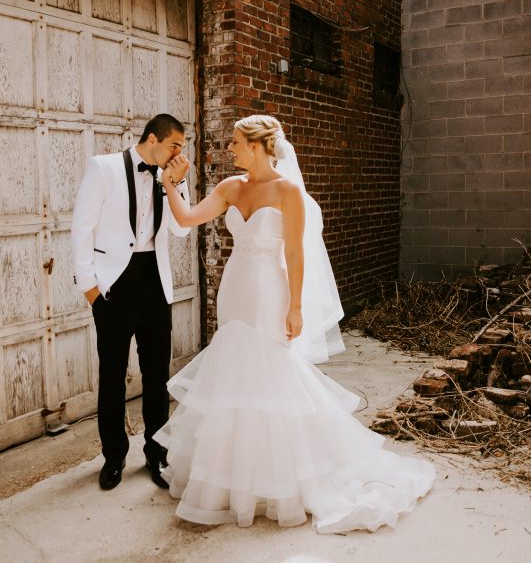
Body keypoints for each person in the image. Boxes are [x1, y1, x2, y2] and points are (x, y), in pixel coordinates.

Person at [154, 114, 434, 534]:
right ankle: (233, 479)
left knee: (271, 371)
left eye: (234, 142)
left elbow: (298, 255)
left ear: (257, 145)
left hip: (271, 288)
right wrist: (170, 185)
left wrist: (296, 307)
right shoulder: (230, 187)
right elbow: (188, 219)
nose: (228, 149)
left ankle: (283, 479)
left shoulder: (288, 192)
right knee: (234, 369)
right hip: (236, 288)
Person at [71, 113, 192, 491]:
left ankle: (156, 454)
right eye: (174, 146)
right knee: (112, 374)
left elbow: (182, 227)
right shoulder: (103, 168)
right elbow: (81, 227)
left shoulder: (168, 174)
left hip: (155, 283)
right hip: (114, 285)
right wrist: (91, 289)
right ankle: (114, 455)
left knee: (157, 375)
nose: (178, 154)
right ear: (153, 139)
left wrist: (179, 180)